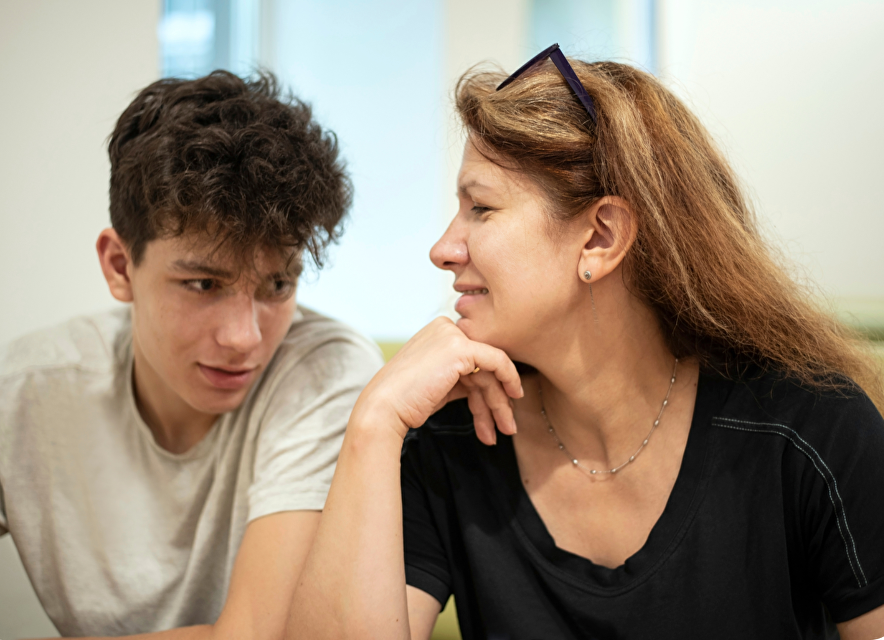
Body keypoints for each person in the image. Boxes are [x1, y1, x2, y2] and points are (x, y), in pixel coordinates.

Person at [286, 46, 884, 639]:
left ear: (600, 237)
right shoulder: (452, 438)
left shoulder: (811, 431)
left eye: (482, 208)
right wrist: (375, 423)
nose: (443, 249)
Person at [0, 71, 383, 639]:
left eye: (278, 285)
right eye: (204, 284)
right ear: (120, 266)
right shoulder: (26, 388)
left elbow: (253, 637)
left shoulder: (327, 373)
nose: (244, 338)